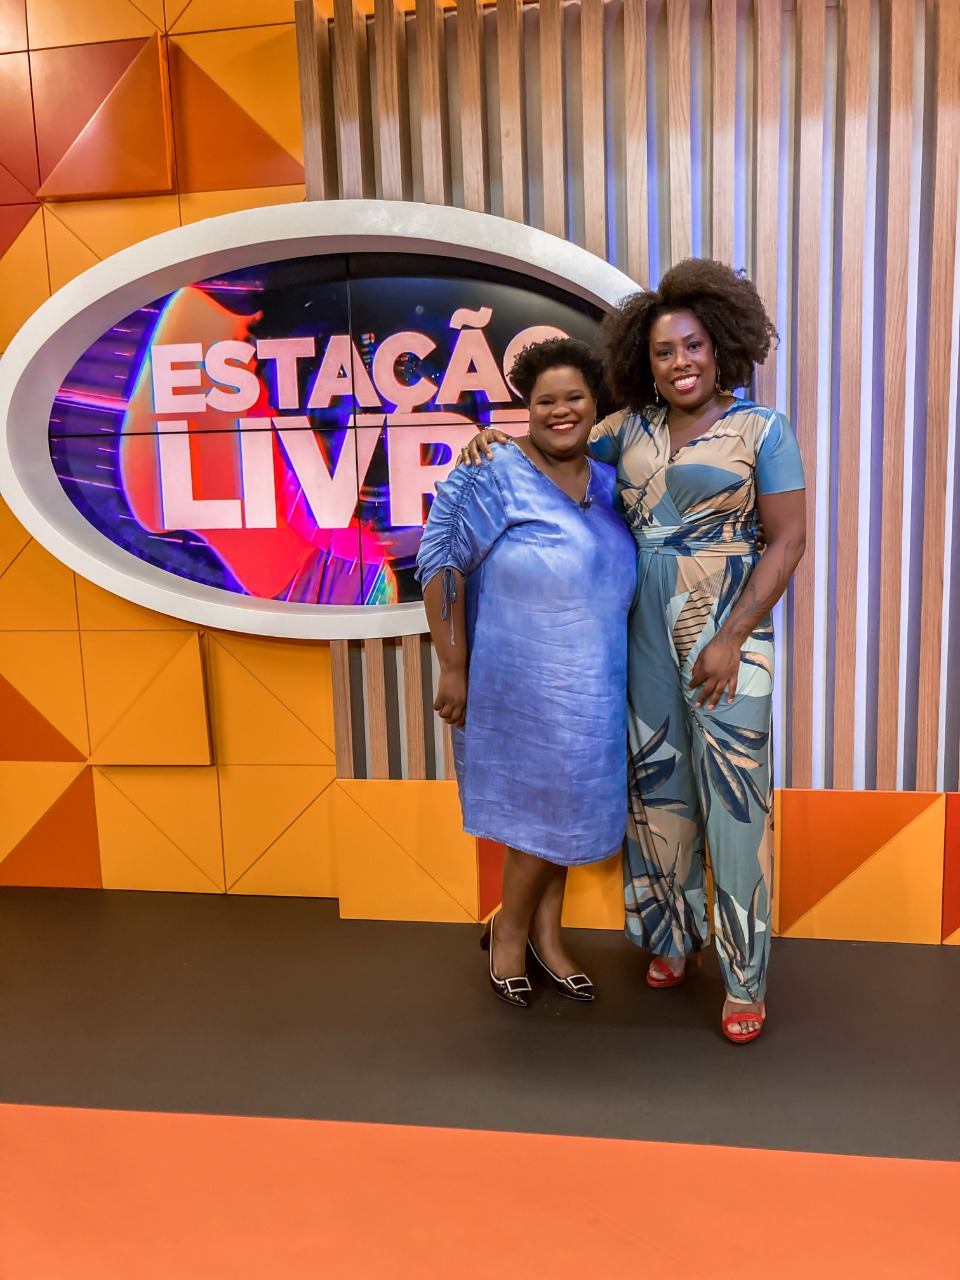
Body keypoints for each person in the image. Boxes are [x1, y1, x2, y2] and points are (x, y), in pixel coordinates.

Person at [459, 259, 806, 1043]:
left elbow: (788, 542)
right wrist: (493, 442)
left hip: (728, 634)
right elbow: (555, 445)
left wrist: (731, 637)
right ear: (643, 363)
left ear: (720, 348)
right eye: (663, 351)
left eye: (693, 346)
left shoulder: (764, 430)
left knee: (737, 807)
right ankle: (671, 939)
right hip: (640, 632)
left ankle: (744, 980)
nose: (681, 362)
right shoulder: (627, 431)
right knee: (659, 795)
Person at [416, 338, 637, 1007]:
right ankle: (508, 934)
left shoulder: (610, 482)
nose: (561, 411)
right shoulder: (493, 472)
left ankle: (546, 935)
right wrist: (452, 665)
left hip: (594, 686)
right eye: (546, 401)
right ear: (527, 407)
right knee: (536, 816)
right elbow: (441, 561)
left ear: (595, 403)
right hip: (520, 684)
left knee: (564, 816)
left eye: (574, 398)